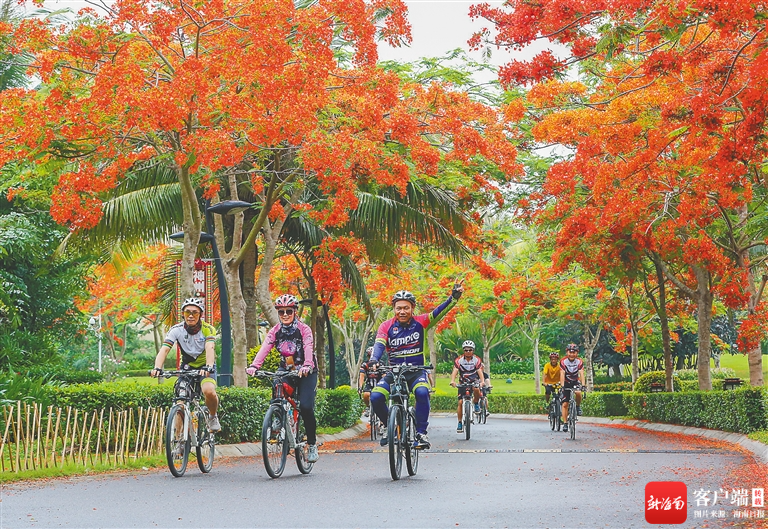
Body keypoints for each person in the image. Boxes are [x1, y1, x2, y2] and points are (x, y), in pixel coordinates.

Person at [369, 280, 464, 450]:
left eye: (406, 307)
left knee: (422, 392)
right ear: (394, 309)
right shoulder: (386, 326)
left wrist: (453, 298)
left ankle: (420, 433)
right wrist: (374, 360)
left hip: (416, 371)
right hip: (394, 372)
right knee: (375, 397)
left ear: (412, 308)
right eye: (399, 308)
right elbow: (379, 344)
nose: (402, 311)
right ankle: (388, 426)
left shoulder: (421, 322)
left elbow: (438, 312)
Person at [245, 294, 319, 463]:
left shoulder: (304, 329)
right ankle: (278, 417)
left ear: (295, 312)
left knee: (306, 407)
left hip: (307, 371)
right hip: (287, 369)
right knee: (277, 383)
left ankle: (312, 445)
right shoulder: (275, 331)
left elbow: (308, 347)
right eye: (281, 312)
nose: (285, 315)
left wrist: (307, 365)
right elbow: (265, 347)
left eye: (288, 311)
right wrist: (255, 366)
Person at [150, 297, 221, 432]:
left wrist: (208, 366)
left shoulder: (208, 329)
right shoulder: (176, 330)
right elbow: (164, 349)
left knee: (209, 391)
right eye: (187, 312)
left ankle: (212, 416)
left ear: (201, 314)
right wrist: (157, 368)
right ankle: (178, 443)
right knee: (180, 403)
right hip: (187, 368)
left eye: (195, 312)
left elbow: (210, 347)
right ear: (182, 313)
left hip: (205, 367)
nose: (190, 315)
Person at [449, 340, 485, 433]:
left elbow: (479, 371)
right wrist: (452, 381)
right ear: (463, 351)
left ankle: (476, 403)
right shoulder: (459, 360)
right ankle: (460, 422)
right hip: (463, 382)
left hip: (474, 381)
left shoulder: (476, 360)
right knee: (460, 402)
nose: (468, 352)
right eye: (466, 350)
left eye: (470, 350)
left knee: (477, 389)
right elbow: (455, 371)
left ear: (473, 350)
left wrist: (482, 381)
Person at [560, 343, 585, 433]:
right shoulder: (563, 361)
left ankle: (578, 407)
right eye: (570, 352)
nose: (572, 354)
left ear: (577, 353)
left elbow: (581, 373)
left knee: (578, 393)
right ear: (567, 352)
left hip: (575, 381)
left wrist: (583, 385)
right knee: (565, 404)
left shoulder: (579, 362)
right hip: (566, 382)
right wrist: (562, 386)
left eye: (574, 353)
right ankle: (565, 423)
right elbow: (562, 374)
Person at [358, 346, 381, 415]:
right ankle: (368, 407)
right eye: (369, 355)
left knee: (380, 398)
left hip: (379, 383)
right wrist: (360, 387)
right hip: (369, 383)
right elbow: (361, 376)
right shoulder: (365, 364)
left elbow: (384, 375)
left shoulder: (381, 364)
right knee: (366, 395)